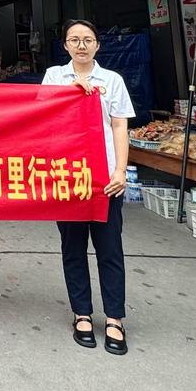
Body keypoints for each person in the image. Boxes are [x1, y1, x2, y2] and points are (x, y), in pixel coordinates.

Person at [42, 20, 134, 355]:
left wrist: (120, 170)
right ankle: (81, 313)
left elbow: (119, 126)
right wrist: (69, 94)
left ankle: (114, 318)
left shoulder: (112, 81)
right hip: (68, 178)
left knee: (110, 249)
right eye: (74, 40)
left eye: (88, 39)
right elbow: (42, 116)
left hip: (105, 180)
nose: (81, 45)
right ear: (65, 45)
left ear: (98, 45)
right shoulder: (54, 77)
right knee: (73, 248)